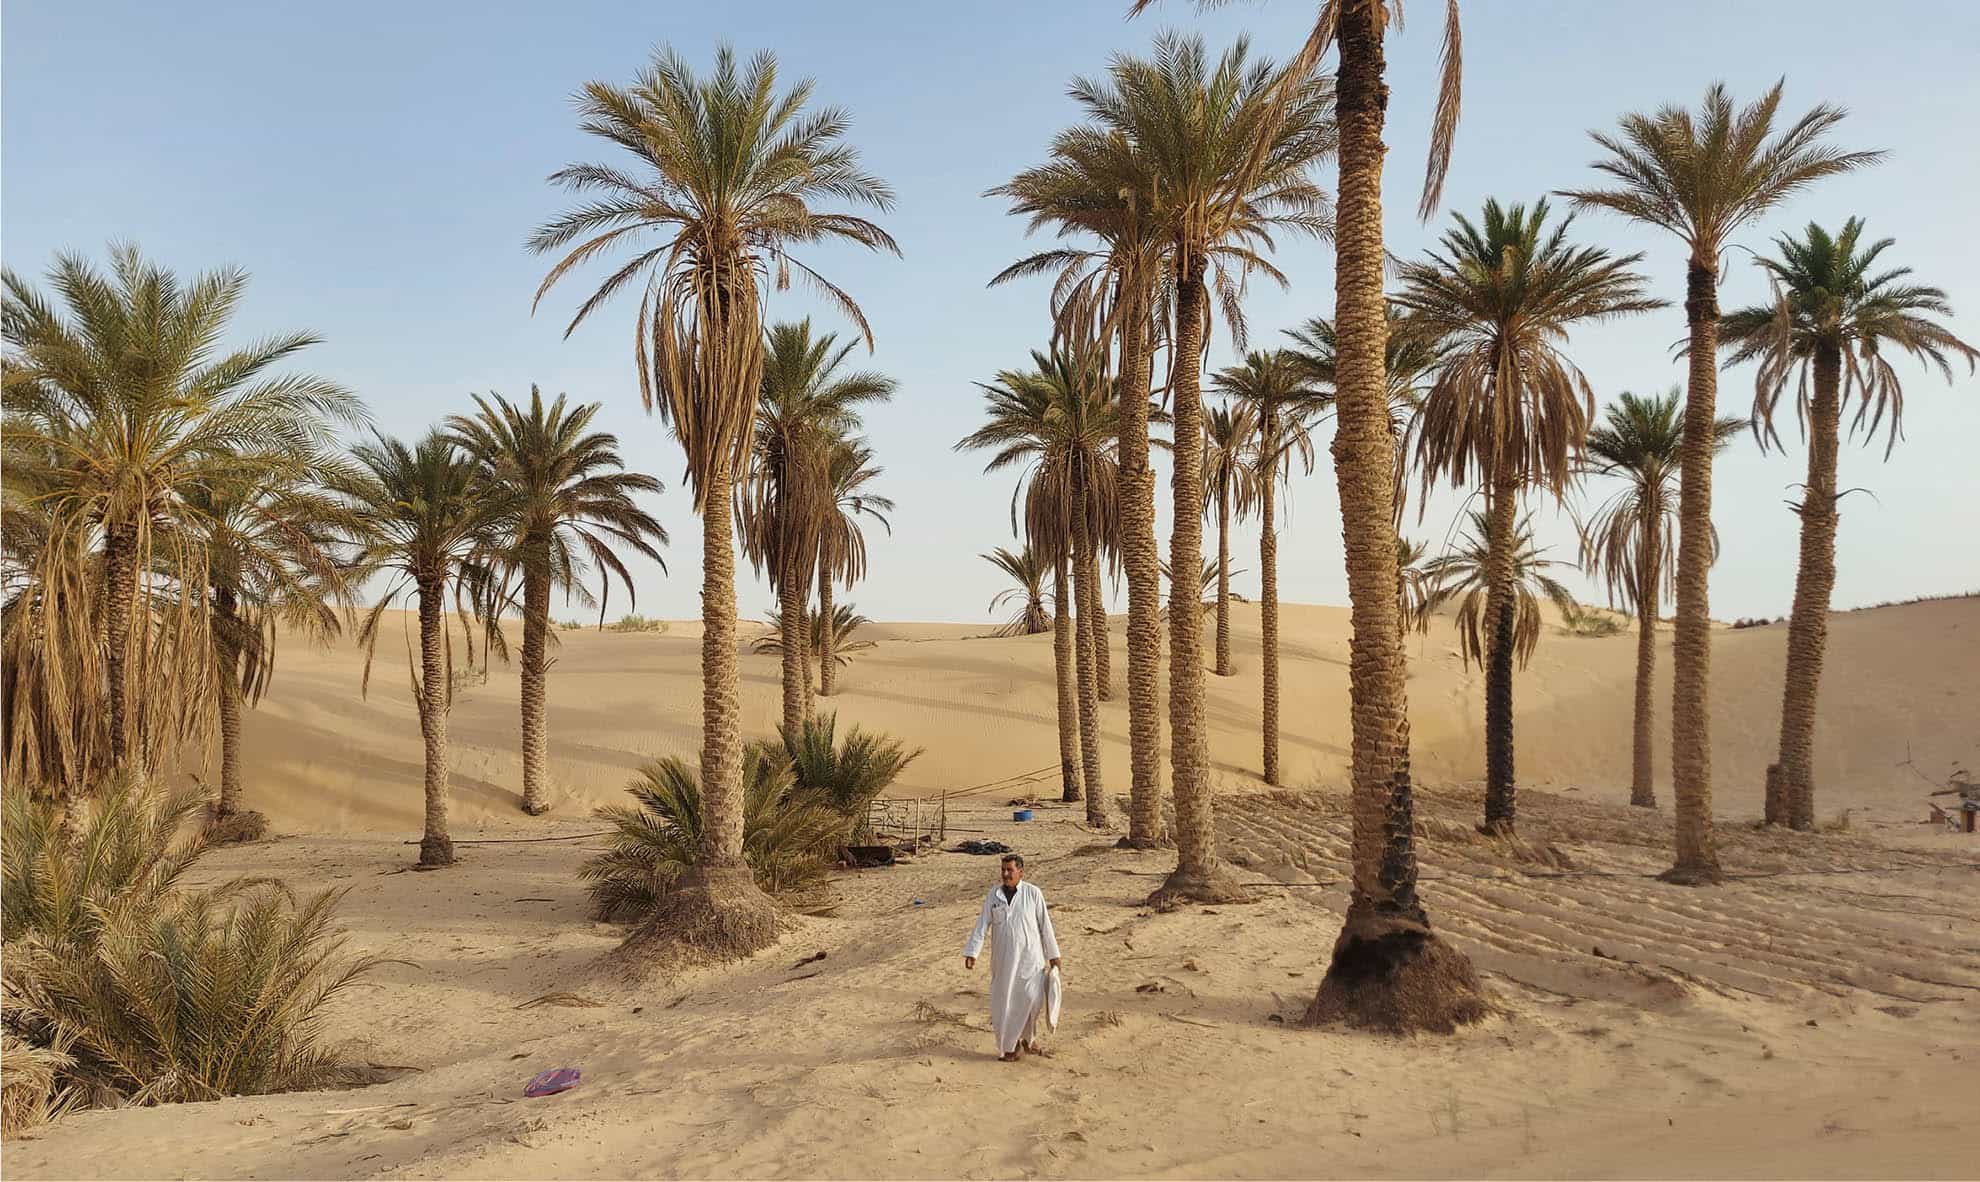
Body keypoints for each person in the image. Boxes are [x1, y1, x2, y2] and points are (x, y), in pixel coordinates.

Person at [961, 853, 1062, 1062]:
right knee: (1005, 1004)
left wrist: (1054, 956)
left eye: (1010, 870)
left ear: (1021, 872)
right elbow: (982, 924)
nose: (1006, 874)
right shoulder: (993, 895)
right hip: (1004, 962)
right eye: (1003, 870)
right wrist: (972, 952)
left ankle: (1029, 1039)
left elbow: (1045, 926)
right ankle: (1010, 1047)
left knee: (1032, 1000)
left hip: (1030, 961)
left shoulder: (1033, 894)